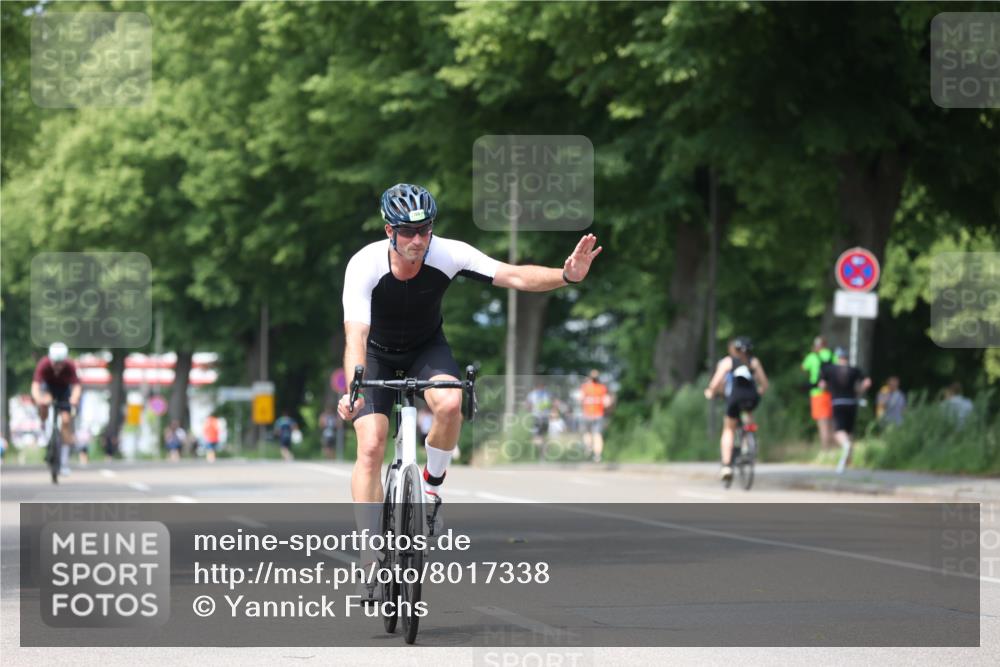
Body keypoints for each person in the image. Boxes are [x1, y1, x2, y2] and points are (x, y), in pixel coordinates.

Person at [337, 183, 601, 600]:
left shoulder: (448, 253)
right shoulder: (364, 264)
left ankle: (432, 487)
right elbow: (356, 332)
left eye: (424, 230)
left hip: (427, 348)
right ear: (389, 230)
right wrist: (353, 384)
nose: (418, 240)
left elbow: (512, 274)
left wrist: (566, 275)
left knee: (450, 402)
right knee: (370, 446)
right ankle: (371, 555)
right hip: (375, 355)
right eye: (408, 232)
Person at [704, 337, 769, 482]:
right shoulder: (754, 362)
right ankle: (748, 444)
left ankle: (726, 465)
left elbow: (715, 383)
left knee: (728, 429)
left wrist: (710, 391)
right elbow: (764, 383)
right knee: (748, 413)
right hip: (752, 398)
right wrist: (759, 392)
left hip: (735, 397)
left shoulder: (728, 362)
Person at [31, 342, 81, 476]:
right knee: (44, 403)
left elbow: (76, 386)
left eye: (61, 364)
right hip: (48, 389)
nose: (58, 367)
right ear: (50, 359)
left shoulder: (70, 366)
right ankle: (44, 428)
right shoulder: (44, 364)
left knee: (66, 421)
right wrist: (38, 399)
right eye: (55, 363)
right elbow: (35, 386)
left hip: (64, 391)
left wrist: (74, 398)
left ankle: (64, 463)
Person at [818, 348, 871, 474]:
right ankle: (848, 461)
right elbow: (867, 382)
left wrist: (825, 389)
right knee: (849, 431)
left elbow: (822, 386)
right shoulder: (854, 370)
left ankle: (846, 446)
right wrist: (859, 392)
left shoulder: (829, 369)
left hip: (838, 402)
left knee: (838, 432)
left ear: (837, 357)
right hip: (852, 403)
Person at [802, 336, 834, 449]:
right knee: (831, 421)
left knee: (822, 422)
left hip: (817, 393)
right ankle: (833, 449)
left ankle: (825, 450)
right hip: (831, 392)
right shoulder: (831, 355)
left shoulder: (812, 356)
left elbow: (804, 368)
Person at [580, 370, 612, 463]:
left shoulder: (585, 387)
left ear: (590, 378)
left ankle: (588, 447)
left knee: (587, 433)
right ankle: (597, 455)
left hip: (587, 414)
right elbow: (607, 402)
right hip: (598, 414)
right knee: (597, 435)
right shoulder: (602, 388)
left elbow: (580, 399)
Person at [525, 381, 553, 460]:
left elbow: (527, 405)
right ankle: (544, 449)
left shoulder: (532, 394)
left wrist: (529, 410)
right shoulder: (547, 393)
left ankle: (542, 451)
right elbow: (551, 404)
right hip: (545, 417)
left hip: (537, 417)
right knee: (543, 435)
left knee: (536, 436)